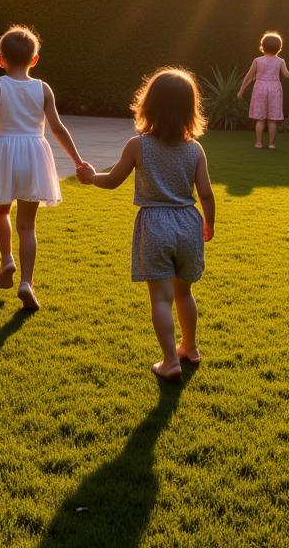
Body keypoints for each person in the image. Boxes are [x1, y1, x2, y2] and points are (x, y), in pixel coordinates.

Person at [77, 67, 216, 382]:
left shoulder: (138, 146)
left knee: (161, 298)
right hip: (188, 222)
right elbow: (205, 193)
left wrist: (90, 177)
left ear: (148, 104)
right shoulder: (195, 149)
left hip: (155, 224)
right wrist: (210, 223)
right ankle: (190, 348)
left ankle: (170, 361)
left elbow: (112, 180)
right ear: (189, 109)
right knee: (184, 293)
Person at [0, 25, 88, 311]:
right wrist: (78, 161)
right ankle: (27, 282)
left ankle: (7, 259)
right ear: (35, 59)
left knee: (1, 211)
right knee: (28, 225)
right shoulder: (43, 88)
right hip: (33, 152)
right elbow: (57, 128)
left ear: (0, 59)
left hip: (3, 151)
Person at [236, 31, 289, 149]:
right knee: (272, 120)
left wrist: (241, 90)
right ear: (279, 47)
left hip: (260, 88)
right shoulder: (280, 61)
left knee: (260, 119)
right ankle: (271, 144)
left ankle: (258, 143)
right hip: (275, 89)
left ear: (263, 45)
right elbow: (287, 74)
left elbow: (249, 76)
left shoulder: (257, 60)